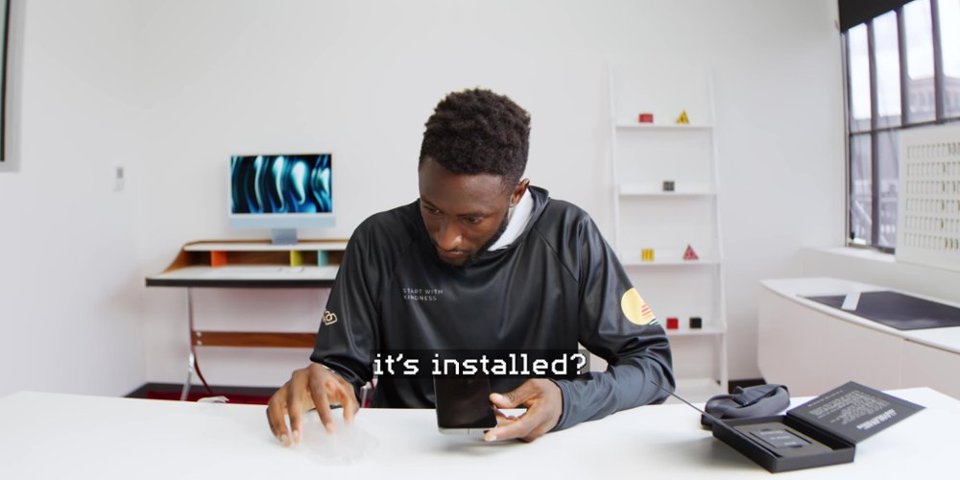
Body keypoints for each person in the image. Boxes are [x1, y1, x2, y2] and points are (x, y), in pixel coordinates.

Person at [266, 88, 674, 444]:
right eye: (431, 208)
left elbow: (652, 366)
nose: (446, 238)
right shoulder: (378, 241)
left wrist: (567, 399)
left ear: (517, 193)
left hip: (539, 450)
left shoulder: (571, 237)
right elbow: (341, 371)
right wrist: (321, 383)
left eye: (472, 219)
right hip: (404, 453)